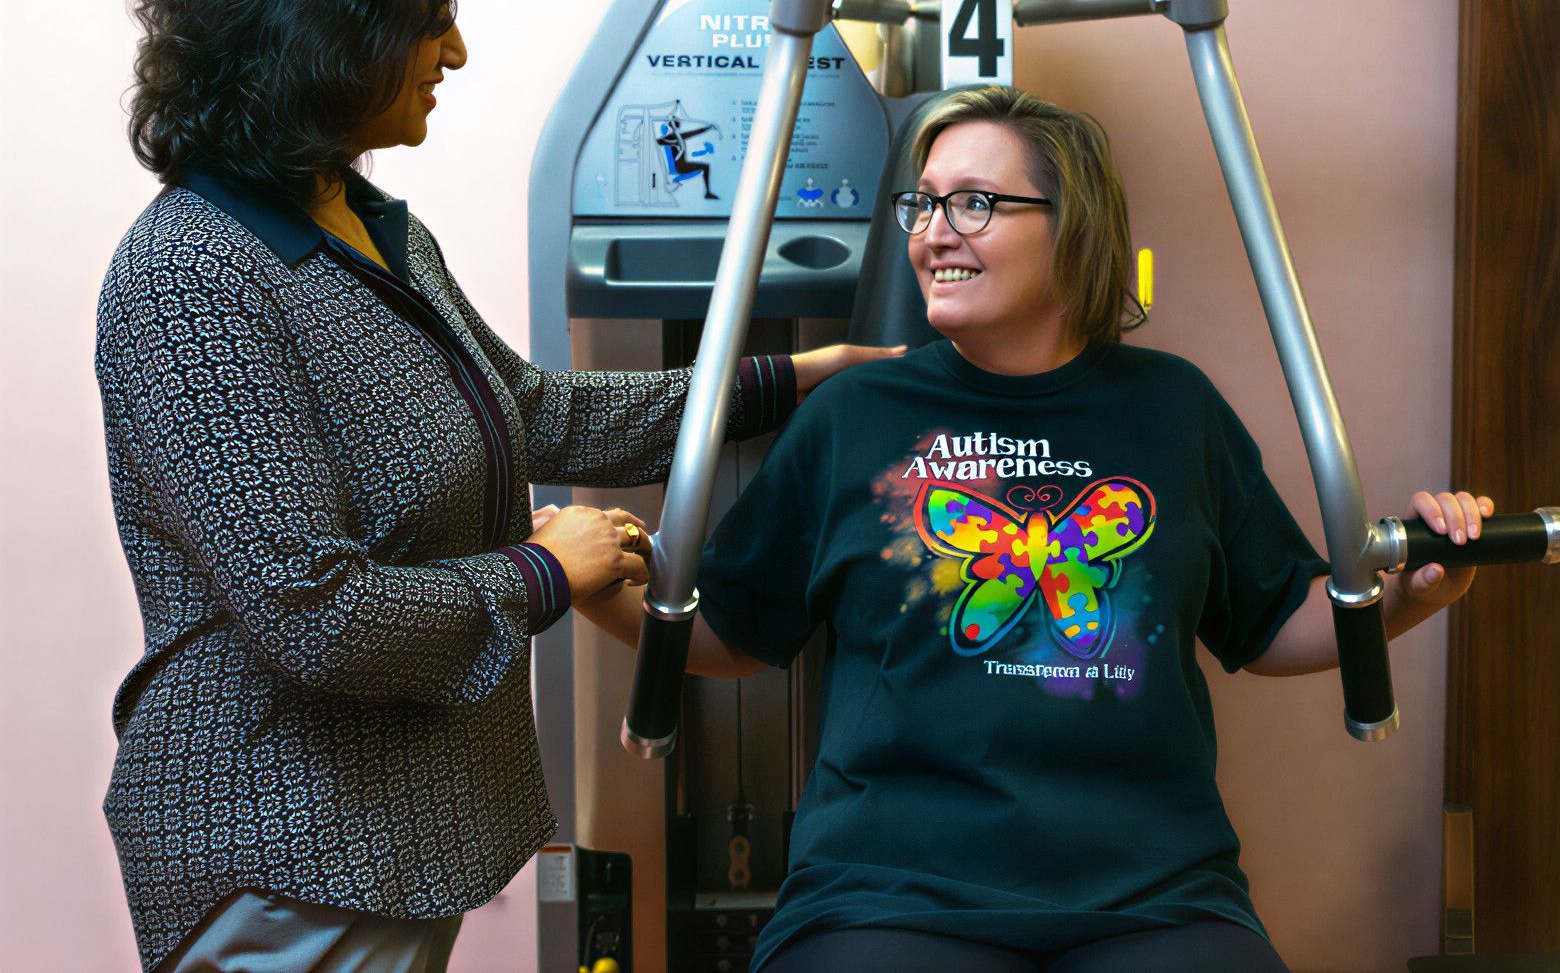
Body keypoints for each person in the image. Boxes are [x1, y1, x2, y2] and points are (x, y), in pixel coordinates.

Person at [95, 0, 896, 973]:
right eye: (429, 20)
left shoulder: (367, 223)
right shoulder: (190, 278)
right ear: (325, 34)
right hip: (283, 848)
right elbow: (315, 614)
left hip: (395, 833)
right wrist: (547, 569)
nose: (457, 51)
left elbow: (523, 409)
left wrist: (785, 382)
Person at [580, 85, 1489, 973]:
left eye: (974, 204)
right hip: (891, 889)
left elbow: (1272, 620)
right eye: (924, 204)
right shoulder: (855, 415)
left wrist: (1408, 591)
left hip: (1150, 892)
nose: (934, 232)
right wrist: (589, 586)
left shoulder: (1175, 409)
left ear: (1075, 224)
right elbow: (731, 630)